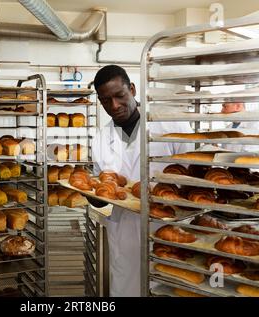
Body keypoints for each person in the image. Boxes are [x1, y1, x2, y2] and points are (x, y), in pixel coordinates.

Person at [89, 65, 194, 296]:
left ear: (133, 89)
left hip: (168, 230)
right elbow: (102, 196)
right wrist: (92, 196)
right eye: (106, 100)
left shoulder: (171, 125)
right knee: (127, 289)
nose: (114, 106)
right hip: (124, 235)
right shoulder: (100, 139)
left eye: (120, 96)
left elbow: (192, 179)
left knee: (168, 288)